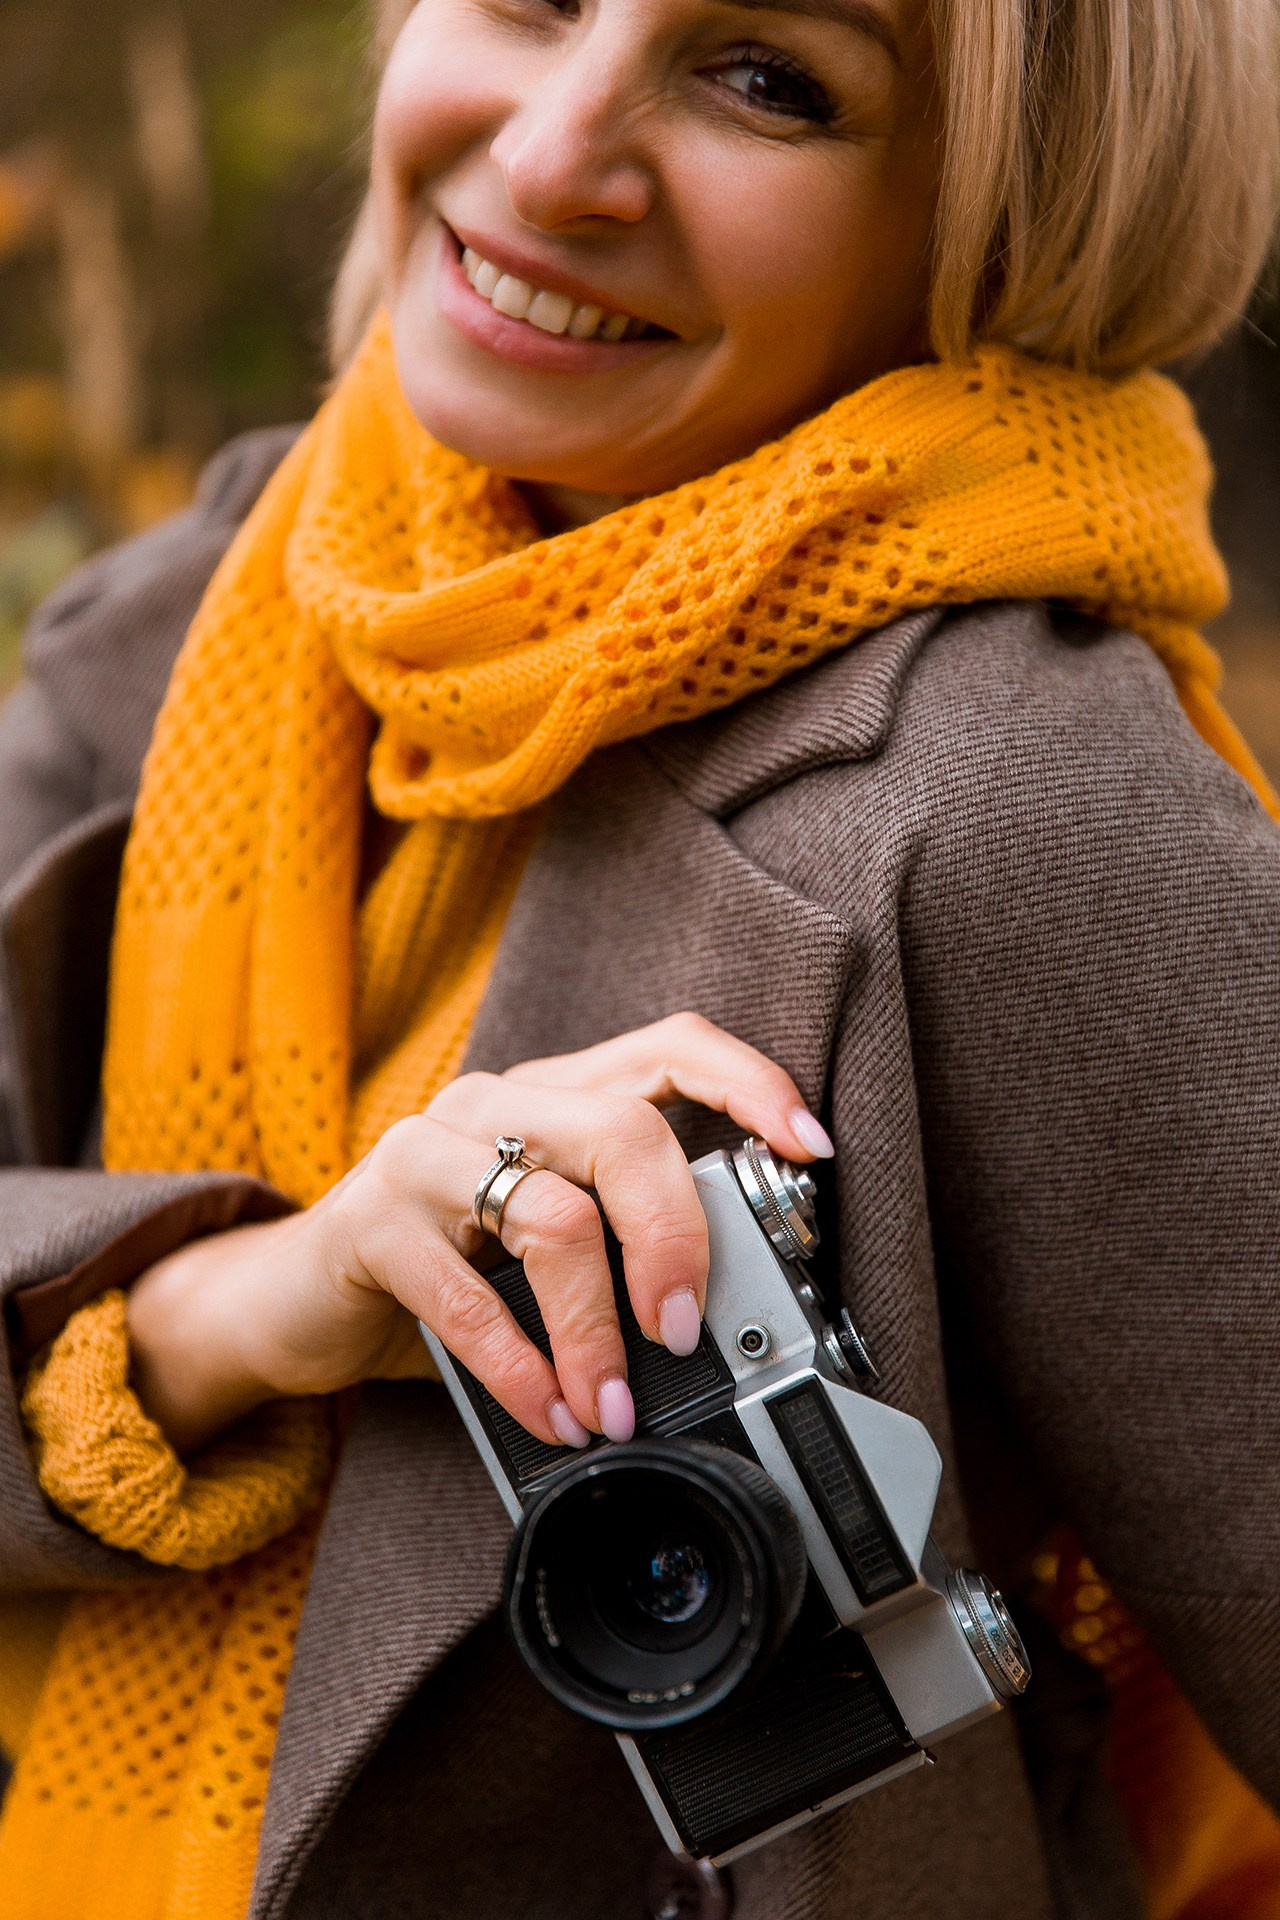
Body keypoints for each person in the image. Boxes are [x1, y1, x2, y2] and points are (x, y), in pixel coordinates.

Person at [0, 0, 1277, 1913]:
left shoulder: (1031, 816)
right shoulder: (209, 613)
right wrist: (253, 1301)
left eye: (769, 79)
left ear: (1000, 225)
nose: (543, 158)